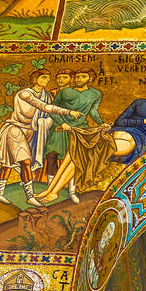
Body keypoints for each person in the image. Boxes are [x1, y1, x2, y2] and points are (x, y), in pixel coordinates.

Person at [0, 71, 77, 207]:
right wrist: (68, 112)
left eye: (48, 78)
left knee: (10, 163)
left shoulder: (46, 96)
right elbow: (44, 107)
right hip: (15, 128)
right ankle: (19, 196)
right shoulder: (24, 94)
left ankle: (8, 194)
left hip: (31, 131)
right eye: (44, 77)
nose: (47, 81)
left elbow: (48, 113)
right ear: (35, 78)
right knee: (23, 161)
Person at [39, 69, 106, 203]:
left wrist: (102, 123)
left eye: (83, 76)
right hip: (61, 127)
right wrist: (62, 123)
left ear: (90, 78)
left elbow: (93, 111)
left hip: (80, 129)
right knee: (52, 156)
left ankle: (71, 191)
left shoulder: (96, 94)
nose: (79, 79)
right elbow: (52, 110)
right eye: (78, 76)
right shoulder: (64, 92)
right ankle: (48, 189)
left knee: (76, 160)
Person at [41, 70, 73, 179]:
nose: (60, 80)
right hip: (54, 128)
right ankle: (51, 183)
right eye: (59, 77)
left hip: (71, 128)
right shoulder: (50, 94)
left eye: (64, 77)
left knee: (69, 158)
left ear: (71, 79)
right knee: (51, 154)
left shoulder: (75, 94)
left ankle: (66, 186)